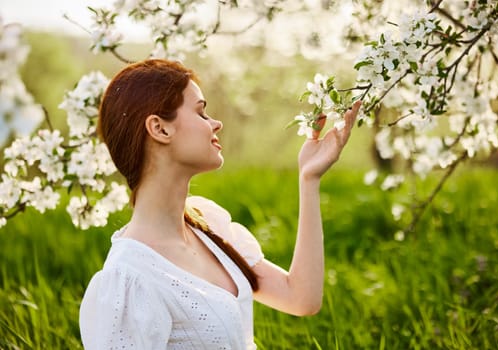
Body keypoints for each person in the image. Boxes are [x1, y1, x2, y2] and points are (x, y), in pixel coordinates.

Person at [79, 58, 361, 349]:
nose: (216, 123)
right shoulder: (130, 279)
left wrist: (309, 179)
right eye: (201, 112)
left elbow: (301, 298)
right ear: (160, 129)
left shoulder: (207, 224)